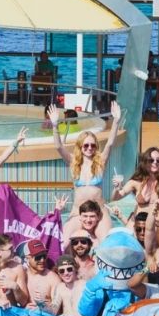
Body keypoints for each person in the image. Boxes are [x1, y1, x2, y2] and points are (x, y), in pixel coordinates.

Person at [50, 102, 121, 238]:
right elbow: (58, 147)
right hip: (78, 212)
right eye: (86, 145)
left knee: (105, 242)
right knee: (64, 241)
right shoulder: (73, 162)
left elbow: (110, 143)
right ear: (80, 147)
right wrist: (55, 125)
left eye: (93, 145)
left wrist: (116, 121)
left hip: (99, 212)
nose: (89, 148)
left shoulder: (100, 161)